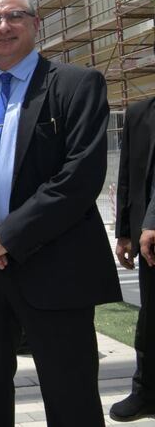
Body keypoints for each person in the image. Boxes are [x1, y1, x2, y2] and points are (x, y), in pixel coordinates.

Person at [0, 0, 122, 427]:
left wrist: (5, 238)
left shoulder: (76, 85)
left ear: (36, 24)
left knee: (69, 389)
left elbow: (78, 179)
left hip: (54, 264)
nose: (3, 27)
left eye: (14, 16)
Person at [112, 97, 155, 421]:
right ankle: (146, 391)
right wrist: (125, 232)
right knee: (150, 317)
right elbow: (127, 175)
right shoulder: (141, 113)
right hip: (147, 239)